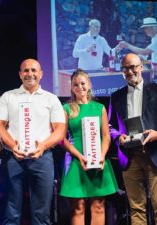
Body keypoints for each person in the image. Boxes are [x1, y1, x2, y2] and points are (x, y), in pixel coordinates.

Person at [0, 58, 66, 225]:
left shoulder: (51, 98)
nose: (30, 74)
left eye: (34, 70)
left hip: (42, 158)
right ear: (20, 74)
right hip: (13, 158)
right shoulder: (8, 96)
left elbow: (60, 130)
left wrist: (43, 146)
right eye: (25, 70)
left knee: (41, 213)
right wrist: (13, 146)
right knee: (11, 210)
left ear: (41, 74)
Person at [108, 53, 157, 225]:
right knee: (136, 208)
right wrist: (118, 137)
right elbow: (110, 126)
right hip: (130, 157)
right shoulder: (116, 96)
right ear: (122, 71)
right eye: (125, 68)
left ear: (141, 67)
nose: (130, 71)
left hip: (156, 153)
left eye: (133, 67)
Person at [60, 69, 118, 225]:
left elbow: (106, 136)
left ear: (89, 85)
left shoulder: (99, 108)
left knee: (98, 206)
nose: (80, 87)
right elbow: (61, 139)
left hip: (98, 160)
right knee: (77, 208)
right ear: (71, 87)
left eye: (83, 83)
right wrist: (79, 156)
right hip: (75, 161)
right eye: (75, 84)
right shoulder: (67, 109)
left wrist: (101, 156)